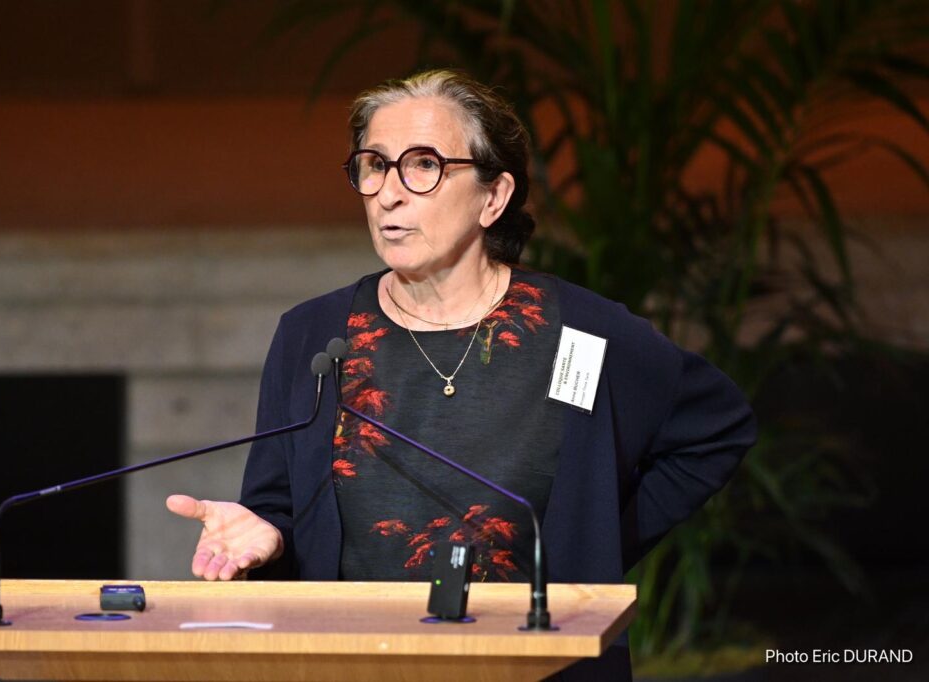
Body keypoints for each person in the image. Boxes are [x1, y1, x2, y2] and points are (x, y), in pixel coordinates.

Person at [167, 69, 756, 679]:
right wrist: (267, 534)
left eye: (423, 166)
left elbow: (717, 430)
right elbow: (279, 507)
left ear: (493, 197)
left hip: (539, 665)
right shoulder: (313, 335)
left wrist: (594, 544)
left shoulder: (582, 332)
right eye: (373, 165)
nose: (388, 194)